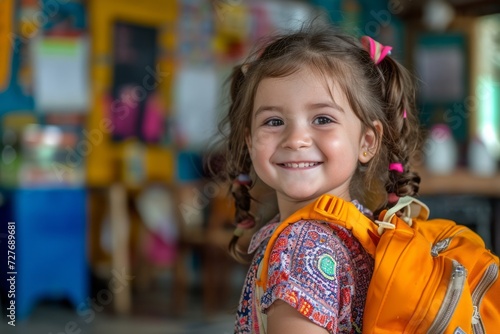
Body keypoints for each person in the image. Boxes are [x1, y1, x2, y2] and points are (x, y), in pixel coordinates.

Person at [212, 23, 421, 333]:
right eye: (274, 121)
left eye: (322, 119)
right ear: (250, 140)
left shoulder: (300, 245)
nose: (296, 139)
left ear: (366, 141)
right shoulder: (363, 227)